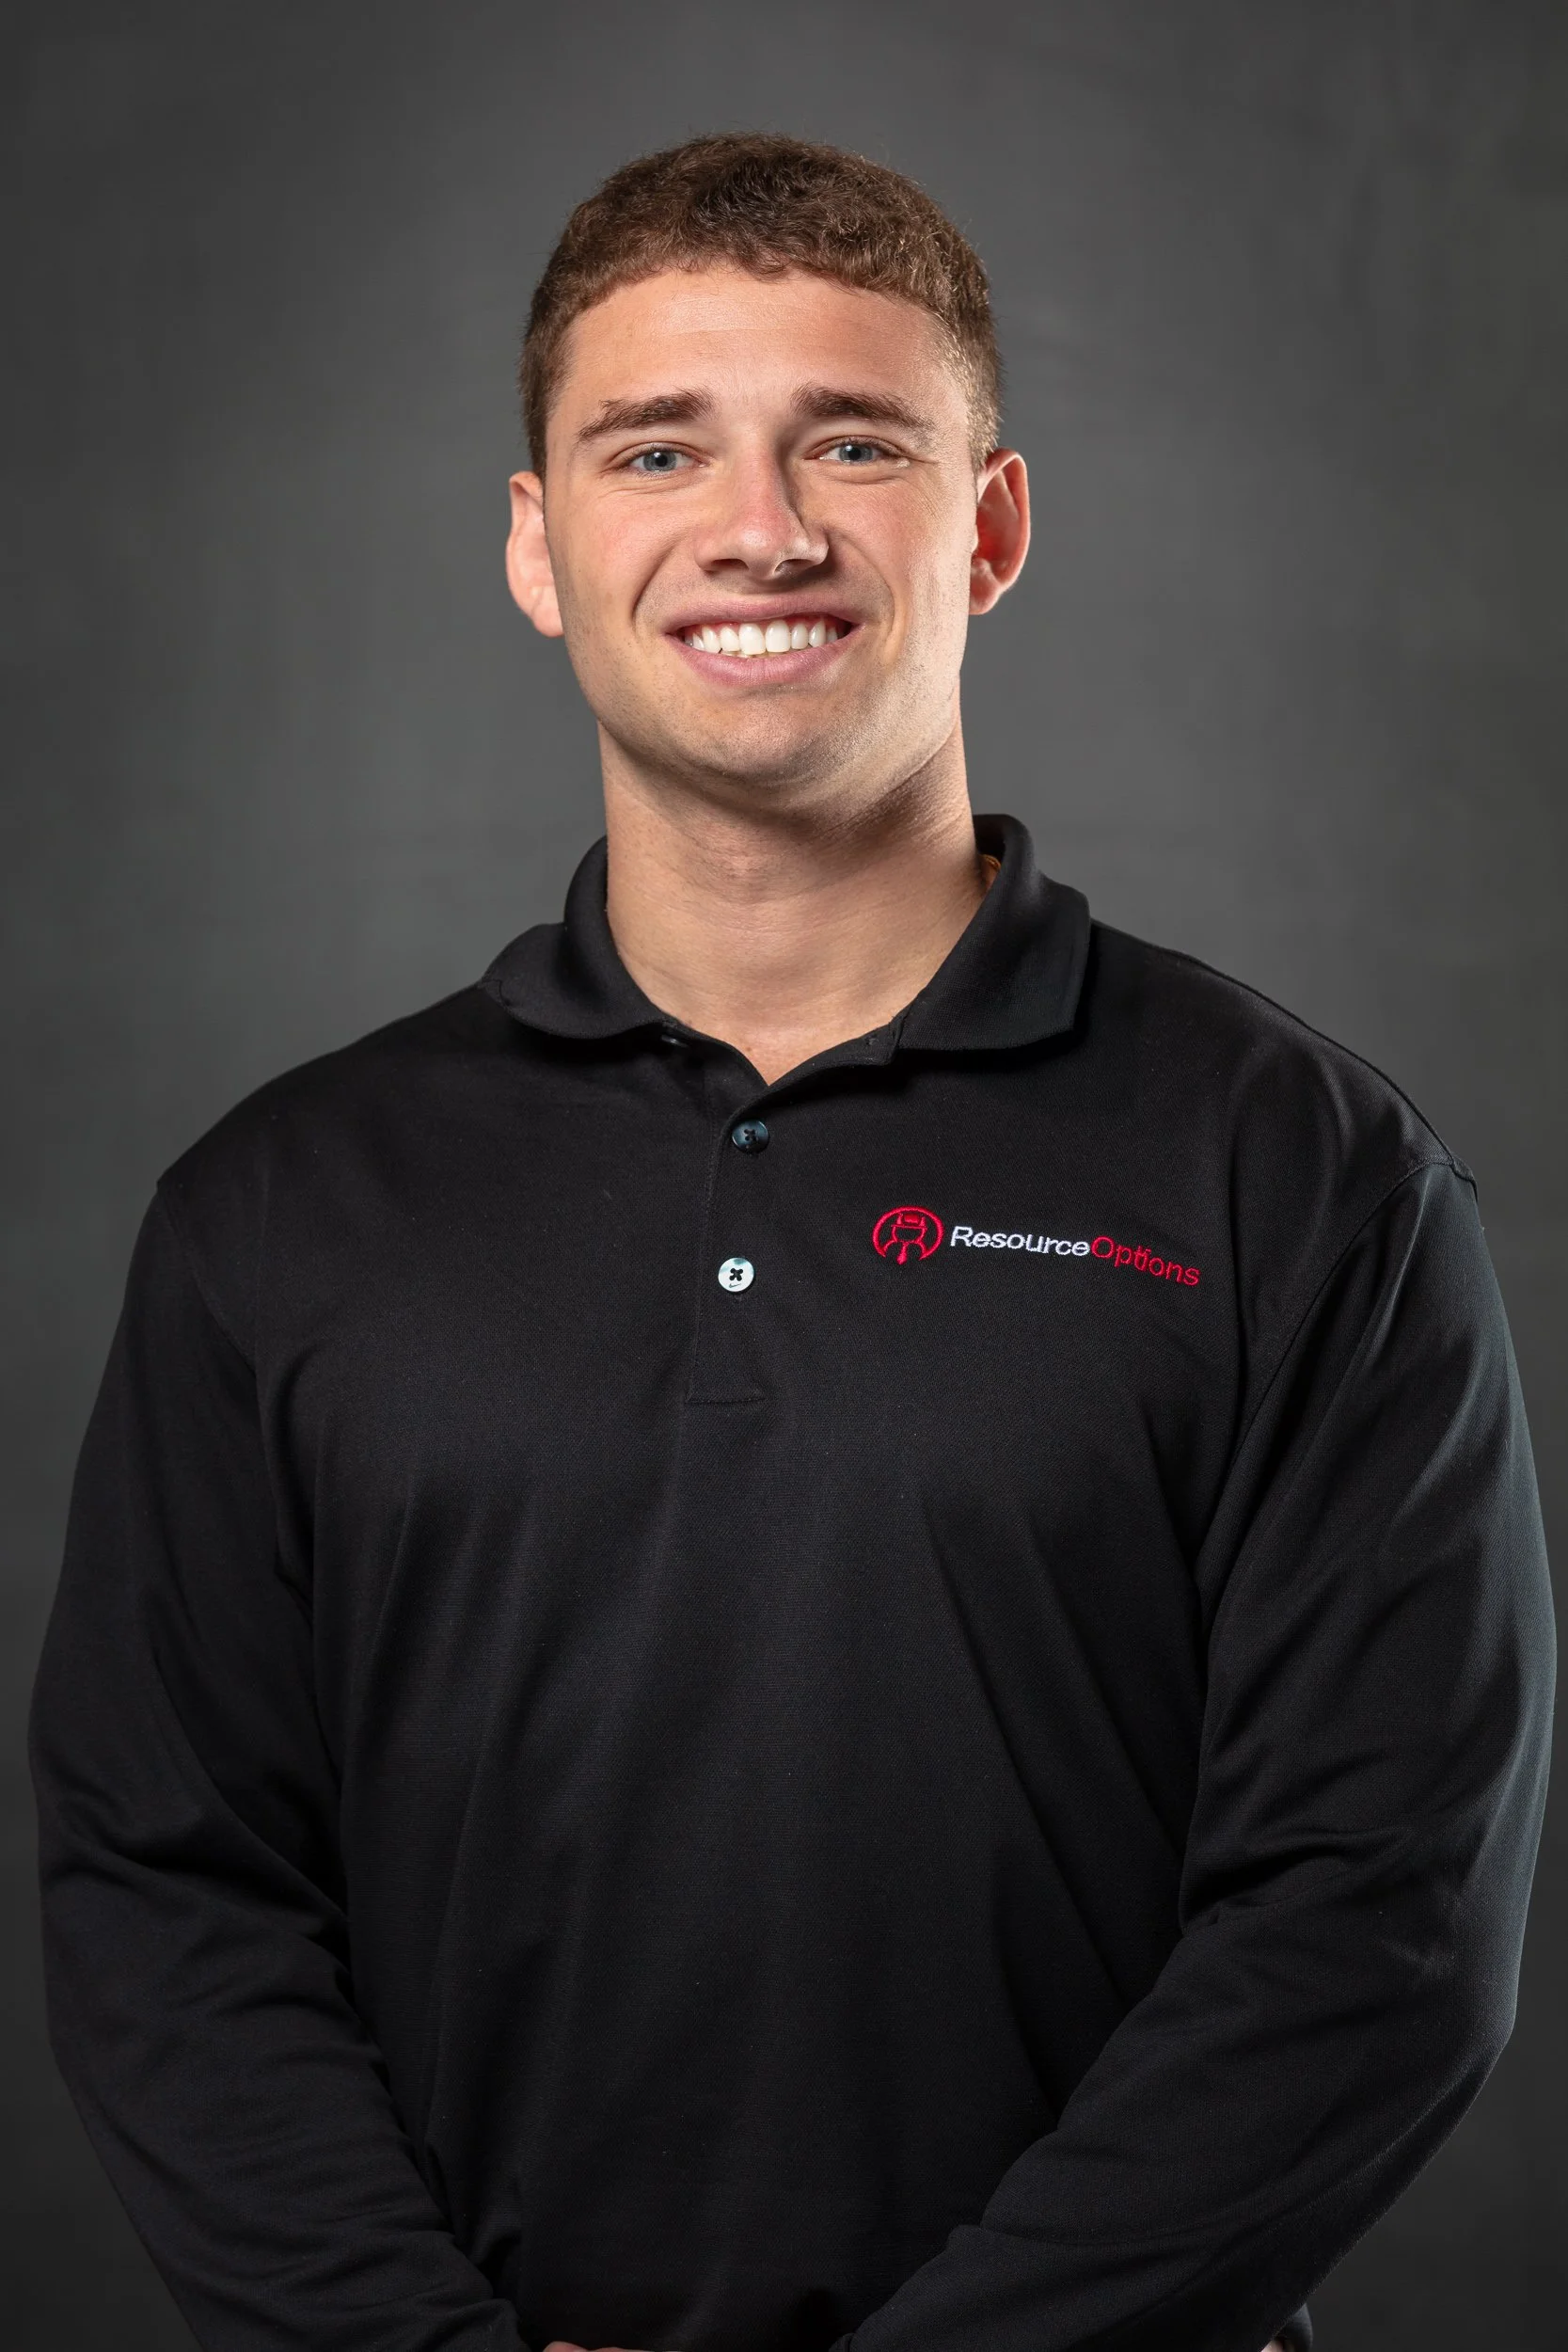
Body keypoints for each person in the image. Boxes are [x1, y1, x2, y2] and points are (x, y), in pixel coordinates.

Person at [30, 134, 1553, 2352]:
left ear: (988, 527)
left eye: (851, 441)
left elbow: (1374, 1922)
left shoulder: (1301, 1172)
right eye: (659, 448)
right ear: (541, 549)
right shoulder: (277, 1206)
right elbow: (171, 1891)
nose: (761, 528)